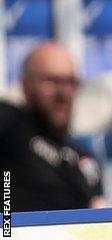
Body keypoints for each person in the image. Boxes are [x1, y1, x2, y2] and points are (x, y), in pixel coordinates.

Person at [0, 42, 104, 212]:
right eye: (50, 81)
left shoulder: (84, 160)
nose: (62, 93)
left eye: (70, 82)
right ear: (26, 86)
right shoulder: (10, 126)